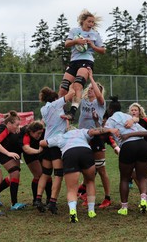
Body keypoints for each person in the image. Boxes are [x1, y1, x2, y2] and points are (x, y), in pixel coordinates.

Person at [40, 125, 119, 223]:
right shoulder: (82, 131)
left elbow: (43, 143)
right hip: (85, 152)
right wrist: (110, 129)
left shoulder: (60, 136)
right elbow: (96, 131)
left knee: (72, 188)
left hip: (69, 154)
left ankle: (73, 211)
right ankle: (91, 211)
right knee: (90, 181)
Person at [103, 96, 147, 215]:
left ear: (110, 110)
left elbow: (103, 133)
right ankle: (143, 200)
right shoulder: (129, 117)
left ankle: (124, 208)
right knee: (143, 177)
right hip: (142, 144)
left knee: (124, 178)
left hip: (128, 146)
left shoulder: (111, 120)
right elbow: (145, 132)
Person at [59, 9, 106, 121]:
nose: (91, 24)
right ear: (83, 21)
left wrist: (93, 46)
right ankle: (59, 110)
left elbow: (103, 50)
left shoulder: (95, 34)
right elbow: (66, 44)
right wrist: (76, 41)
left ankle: (72, 112)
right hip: (74, 61)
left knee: (78, 85)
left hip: (87, 61)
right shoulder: (74, 31)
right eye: (89, 21)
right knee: (63, 88)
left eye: (92, 22)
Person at [34, 86, 75, 214]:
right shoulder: (56, 105)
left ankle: (38, 198)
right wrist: (73, 83)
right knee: (58, 174)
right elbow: (71, 94)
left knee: (45, 173)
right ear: (56, 98)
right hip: (56, 144)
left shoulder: (44, 109)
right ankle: (52, 202)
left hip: (47, 143)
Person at [77, 70, 112, 208]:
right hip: (82, 137)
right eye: (89, 88)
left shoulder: (100, 103)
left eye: (94, 89)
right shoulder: (84, 101)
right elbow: (76, 91)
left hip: (96, 138)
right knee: (86, 168)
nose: (91, 90)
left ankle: (107, 197)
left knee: (101, 169)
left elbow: (99, 95)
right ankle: (85, 193)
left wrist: (91, 77)